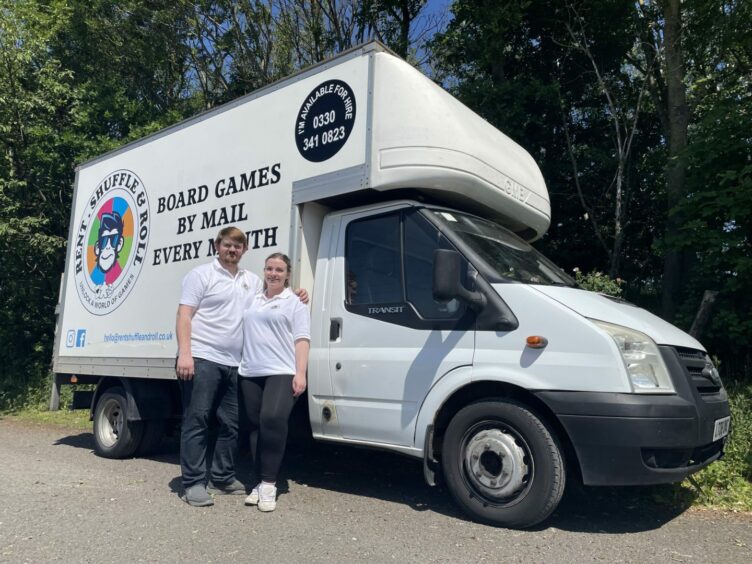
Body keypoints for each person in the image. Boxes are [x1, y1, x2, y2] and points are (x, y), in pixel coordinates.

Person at [176, 228, 306, 507]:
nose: (232, 250)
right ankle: (194, 483)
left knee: (234, 424)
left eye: (237, 246)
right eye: (227, 245)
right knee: (197, 419)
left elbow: (273, 297)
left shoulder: (250, 280)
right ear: (217, 246)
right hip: (203, 357)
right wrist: (185, 354)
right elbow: (184, 314)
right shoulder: (201, 275)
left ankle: (222, 476)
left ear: (244, 250)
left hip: (237, 363)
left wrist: (296, 294)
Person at [238, 252, 311, 512]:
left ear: (288, 274)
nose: (273, 274)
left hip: (281, 370)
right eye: (269, 268)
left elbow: (302, 339)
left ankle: (269, 484)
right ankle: (259, 481)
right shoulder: (253, 299)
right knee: (255, 426)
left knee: (272, 419)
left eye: (279, 270)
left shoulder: (295, 302)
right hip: (250, 371)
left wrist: (300, 372)